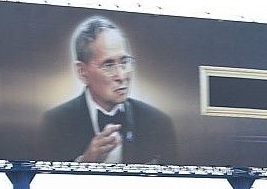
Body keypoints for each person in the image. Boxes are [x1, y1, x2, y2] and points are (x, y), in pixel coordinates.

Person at [40, 16, 176, 164]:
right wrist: (84, 163)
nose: (121, 75)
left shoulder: (158, 123)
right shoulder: (55, 123)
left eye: (124, 62)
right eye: (108, 65)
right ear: (82, 71)